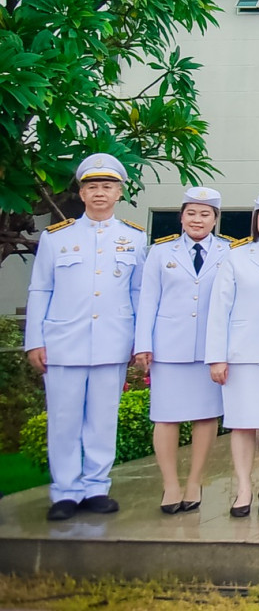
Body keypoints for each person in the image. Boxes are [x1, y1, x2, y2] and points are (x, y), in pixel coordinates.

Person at [26, 153, 148, 521]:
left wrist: (140, 341)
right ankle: (65, 491)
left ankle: (96, 487)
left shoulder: (134, 238)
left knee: (102, 420)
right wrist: (35, 340)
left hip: (112, 341)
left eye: (107, 186)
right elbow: (40, 290)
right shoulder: (56, 238)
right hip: (63, 343)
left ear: (119, 193)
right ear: (81, 193)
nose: (99, 193)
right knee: (63, 421)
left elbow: (139, 293)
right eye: (92, 187)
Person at [134, 186, 227, 513]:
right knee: (166, 416)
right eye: (191, 213)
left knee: (206, 416)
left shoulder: (229, 252)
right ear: (181, 217)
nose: (197, 220)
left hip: (210, 350)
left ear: (215, 219)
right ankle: (171, 484)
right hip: (168, 347)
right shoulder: (161, 252)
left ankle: (194, 481)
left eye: (205, 214)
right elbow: (147, 300)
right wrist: (143, 344)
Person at [206, 190, 259, 518]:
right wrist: (217, 356)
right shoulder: (236, 256)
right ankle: (243, 487)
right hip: (242, 354)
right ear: (256, 220)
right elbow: (219, 309)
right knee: (241, 424)